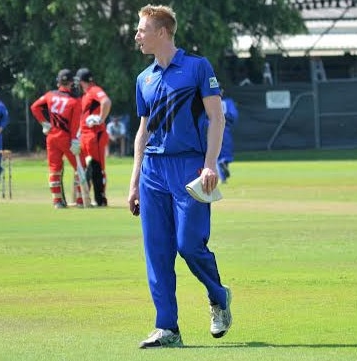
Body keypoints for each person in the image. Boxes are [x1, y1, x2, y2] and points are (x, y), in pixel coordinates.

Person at [128, 4, 232, 348]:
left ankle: (218, 297)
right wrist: (133, 183)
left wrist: (210, 163)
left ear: (161, 32)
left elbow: (217, 118)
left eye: (142, 30)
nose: (137, 35)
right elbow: (142, 133)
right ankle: (167, 328)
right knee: (157, 252)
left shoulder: (198, 67)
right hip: (152, 173)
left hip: (190, 167)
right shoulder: (143, 78)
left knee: (189, 245)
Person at [30, 69, 83, 208]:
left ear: (59, 82)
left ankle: (57, 201)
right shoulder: (75, 101)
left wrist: (44, 123)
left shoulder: (49, 95)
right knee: (80, 166)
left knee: (54, 169)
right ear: (71, 83)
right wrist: (74, 139)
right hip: (66, 137)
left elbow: (34, 107)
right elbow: (74, 124)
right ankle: (80, 200)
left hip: (52, 136)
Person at [75, 67, 112, 206]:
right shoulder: (86, 95)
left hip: (94, 134)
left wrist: (101, 119)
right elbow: (83, 116)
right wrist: (78, 134)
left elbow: (106, 102)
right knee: (89, 167)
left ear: (82, 81)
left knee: (96, 167)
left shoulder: (94, 90)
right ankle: (87, 198)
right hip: (86, 135)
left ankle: (100, 199)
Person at [217, 91, 239, 183]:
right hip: (224, 127)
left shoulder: (207, 100)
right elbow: (234, 115)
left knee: (214, 153)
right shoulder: (228, 102)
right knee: (226, 152)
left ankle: (222, 177)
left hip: (210, 127)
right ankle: (224, 163)